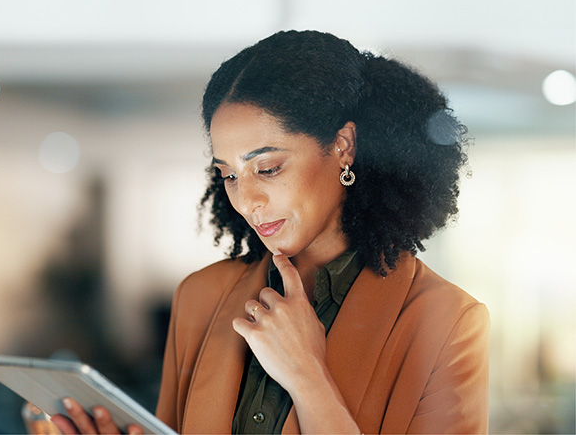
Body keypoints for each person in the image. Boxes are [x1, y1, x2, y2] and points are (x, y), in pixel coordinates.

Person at [51, 30, 490, 435]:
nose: (247, 200)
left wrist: (307, 375)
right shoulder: (200, 298)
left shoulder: (447, 323)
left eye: (267, 168)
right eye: (228, 175)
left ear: (343, 146)